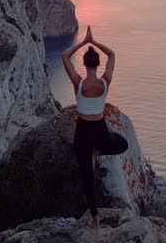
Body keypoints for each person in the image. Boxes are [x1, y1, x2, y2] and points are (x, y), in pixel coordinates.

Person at [60, 26, 126, 228]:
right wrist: (93, 42)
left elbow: (64, 55)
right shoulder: (105, 82)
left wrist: (83, 42)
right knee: (122, 143)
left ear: (84, 63)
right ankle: (98, 150)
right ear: (97, 64)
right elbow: (112, 55)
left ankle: (95, 218)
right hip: (100, 130)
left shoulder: (78, 83)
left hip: (82, 131)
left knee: (87, 177)